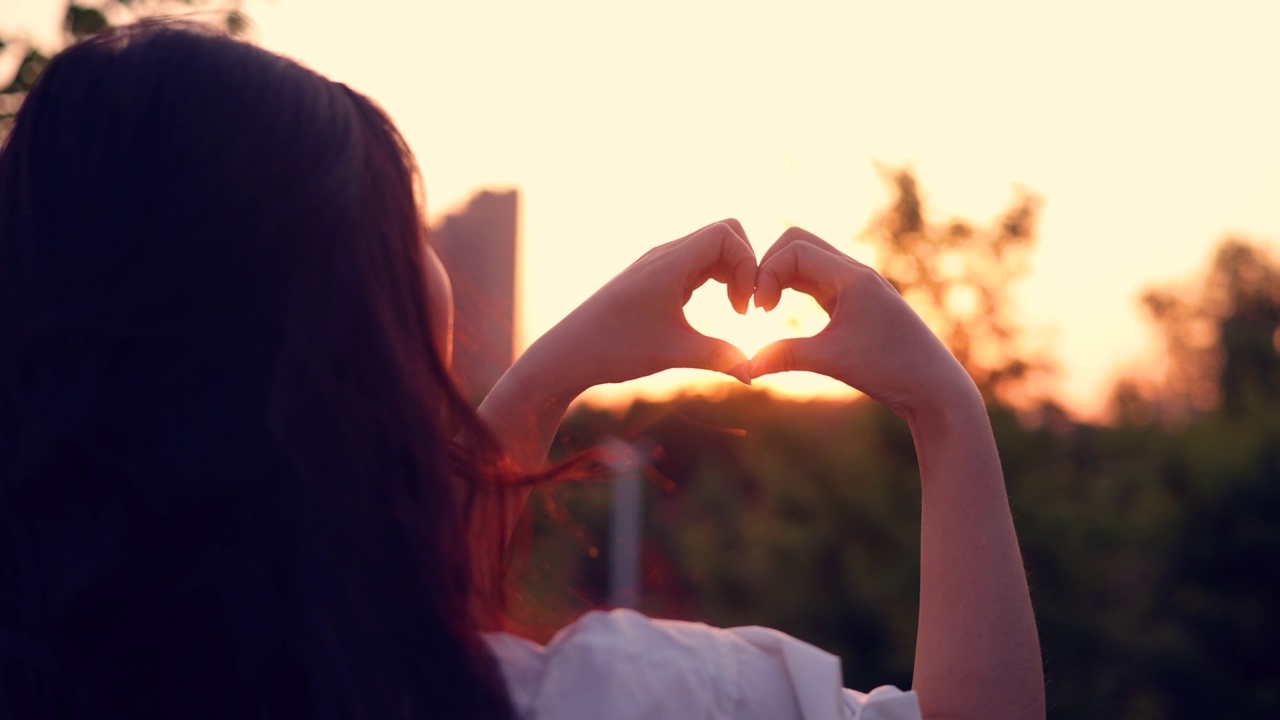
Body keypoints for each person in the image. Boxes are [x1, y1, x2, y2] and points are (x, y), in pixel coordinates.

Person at [0, 21, 1044, 720]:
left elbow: (371, 610)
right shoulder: (607, 699)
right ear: (350, 345)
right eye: (401, 234)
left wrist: (547, 380)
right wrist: (942, 410)